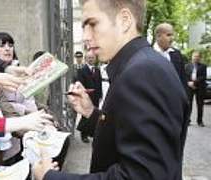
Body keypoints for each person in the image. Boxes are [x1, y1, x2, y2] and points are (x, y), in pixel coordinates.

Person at [33, 0, 189, 180]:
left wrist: (49, 177)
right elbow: (126, 131)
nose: (85, 36)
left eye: (92, 24)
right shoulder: (140, 65)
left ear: (124, 20)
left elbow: (142, 175)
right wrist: (91, 112)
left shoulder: (143, 72)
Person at [76, 51, 102, 143]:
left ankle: (92, 133)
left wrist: (100, 95)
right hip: (86, 97)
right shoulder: (82, 70)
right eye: (89, 58)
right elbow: (80, 84)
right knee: (85, 116)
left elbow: (99, 83)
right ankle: (84, 135)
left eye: (92, 58)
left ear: (95, 59)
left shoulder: (97, 70)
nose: (91, 59)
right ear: (86, 59)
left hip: (95, 97)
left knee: (94, 115)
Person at [153, 22, 188, 90]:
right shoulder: (148, 54)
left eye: (173, 35)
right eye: (168, 35)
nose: (172, 38)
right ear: (158, 36)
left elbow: (183, 79)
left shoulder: (177, 54)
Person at [185, 51, 207, 127]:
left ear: (200, 58)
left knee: (200, 105)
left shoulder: (203, 66)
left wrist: (194, 82)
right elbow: (185, 76)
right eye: (194, 56)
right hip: (189, 88)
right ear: (192, 57)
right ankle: (187, 120)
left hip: (199, 87)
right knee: (188, 104)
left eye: (197, 56)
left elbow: (203, 77)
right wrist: (188, 82)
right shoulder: (187, 66)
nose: (196, 58)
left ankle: (200, 121)